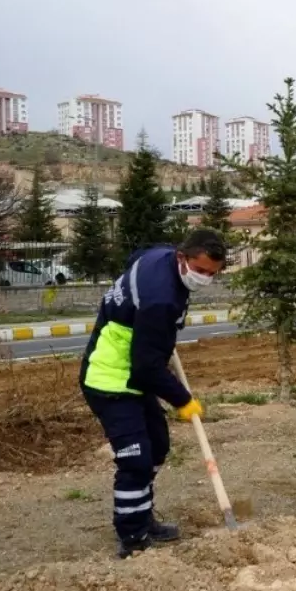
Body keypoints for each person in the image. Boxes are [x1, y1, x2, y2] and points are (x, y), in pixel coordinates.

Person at [80, 229, 228, 558]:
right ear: (182, 257)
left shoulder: (157, 256)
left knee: (158, 445)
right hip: (110, 378)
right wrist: (183, 400)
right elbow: (147, 367)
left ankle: (143, 518)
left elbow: (134, 258)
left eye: (212, 274)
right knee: (136, 459)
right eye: (200, 270)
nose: (204, 278)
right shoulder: (161, 299)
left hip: (135, 378)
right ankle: (132, 538)